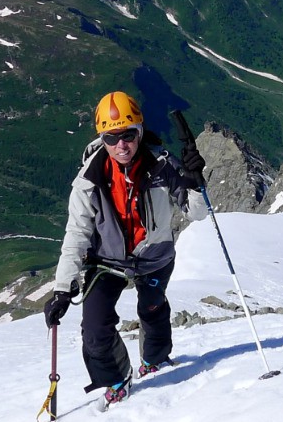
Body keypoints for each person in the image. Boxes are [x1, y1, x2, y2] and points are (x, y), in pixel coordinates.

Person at [44, 91, 207, 405]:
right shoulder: (88, 182)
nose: (122, 144)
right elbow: (76, 236)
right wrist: (63, 288)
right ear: (102, 138)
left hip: (154, 256)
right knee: (93, 328)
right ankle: (117, 378)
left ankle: (155, 360)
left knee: (152, 307)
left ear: (140, 132)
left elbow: (196, 212)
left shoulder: (162, 165)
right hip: (106, 261)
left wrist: (194, 180)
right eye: (112, 136)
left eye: (129, 134)